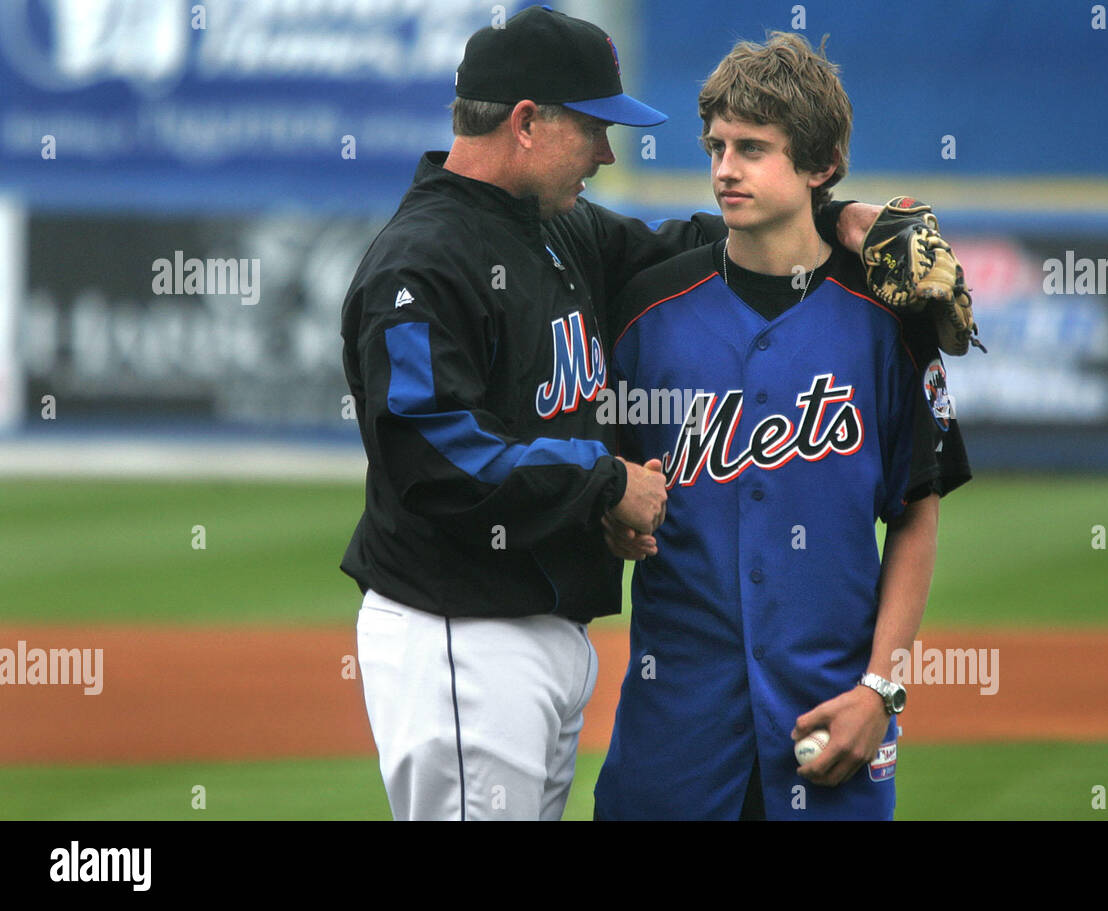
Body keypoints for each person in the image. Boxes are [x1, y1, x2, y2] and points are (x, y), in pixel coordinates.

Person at [340, 5, 959, 821]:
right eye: (594, 127)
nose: (606, 151)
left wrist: (850, 222)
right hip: (460, 625)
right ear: (527, 123)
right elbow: (431, 451)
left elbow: (727, 247)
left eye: (747, 149)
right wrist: (603, 485)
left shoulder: (562, 232)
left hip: (548, 634)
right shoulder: (421, 261)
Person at [593, 31, 972, 820]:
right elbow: (604, 484)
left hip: (831, 720)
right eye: (717, 146)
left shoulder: (889, 322)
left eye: (754, 148)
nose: (726, 168)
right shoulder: (645, 312)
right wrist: (609, 515)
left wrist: (881, 690)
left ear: (819, 166)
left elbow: (916, 511)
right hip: (675, 734)